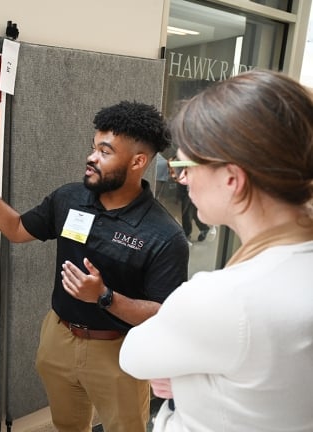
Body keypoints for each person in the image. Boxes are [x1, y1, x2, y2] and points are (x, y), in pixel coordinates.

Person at [0, 101, 189, 432]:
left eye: (105, 152)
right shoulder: (69, 198)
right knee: (67, 426)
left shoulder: (164, 235)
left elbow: (166, 315)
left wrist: (105, 296)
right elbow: (17, 230)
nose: (92, 157)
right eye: (93, 147)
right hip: (59, 337)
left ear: (137, 162)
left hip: (117, 350)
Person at [119, 69, 313, 431]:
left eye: (187, 165)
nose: (184, 178)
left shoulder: (226, 297)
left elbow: (135, 356)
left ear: (232, 179)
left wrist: (187, 380)